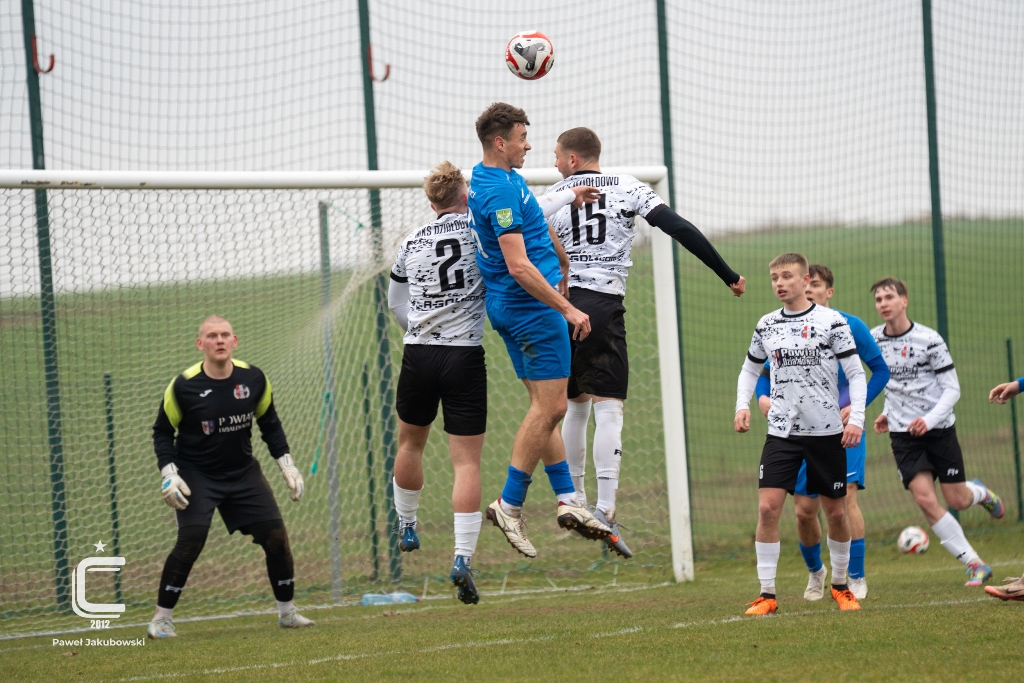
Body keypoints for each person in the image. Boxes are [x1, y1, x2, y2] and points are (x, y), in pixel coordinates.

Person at [547, 127, 745, 558]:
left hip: (559, 307)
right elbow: (679, 228)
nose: (555, 163)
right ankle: (604, 509)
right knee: (608, 406)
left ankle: (573, 499)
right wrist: (727, 273)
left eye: (558, 156)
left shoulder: (552, 197)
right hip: (601, 306)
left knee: (575, 405)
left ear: (573, 159)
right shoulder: (629, 187)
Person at [468, 102, 611, 558]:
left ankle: (568, 499)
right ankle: (509, 504)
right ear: (500, 142)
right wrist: (568, 309)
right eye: (522, 138)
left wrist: (563, 258)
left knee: (542, 409)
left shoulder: (496, 177)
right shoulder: (499, 190)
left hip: (513, 308)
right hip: (531, 309)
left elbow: (532, 221)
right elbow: (518, 264)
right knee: (553, 408)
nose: (528, 146)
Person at [148, 316, 312, 638]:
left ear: (235, 341)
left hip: (242, 472)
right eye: (212, 336)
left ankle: (288, 613)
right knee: (191, 540)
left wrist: (287, 465)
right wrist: (169, 473)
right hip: (197, 474)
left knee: (276, 537)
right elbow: (162, 432)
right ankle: (161, 619)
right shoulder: (183, 385)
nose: (219, 340)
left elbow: (270, 425)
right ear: (201, 344)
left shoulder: (254, 378)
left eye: (225, 335)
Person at [735, 253, 867, 615]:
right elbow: (750, 370)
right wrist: (742, 405)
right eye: (774, 278)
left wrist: (856, 418)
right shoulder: (766, 325)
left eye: (787, 276)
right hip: (782, 433)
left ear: (805, 280)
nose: (780, 283)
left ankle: (840, 586)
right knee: (767, 508)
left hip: (826, 432)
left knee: (836, 513)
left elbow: (856, 374)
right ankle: (767, 595)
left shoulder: (832, 322)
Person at [754, 264, 888, 600]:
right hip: (797, 431)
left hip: (842, 430)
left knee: (845, 500)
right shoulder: (784, 328)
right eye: (807, 283)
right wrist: (762, 397)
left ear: (829, 291)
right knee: (803, 511)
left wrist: (855, 409)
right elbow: (762, 371)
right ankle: (816, 572)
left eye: (816, 284)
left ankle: (854, 577)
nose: (810, 289)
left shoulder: (849, 325)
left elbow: (879, 371)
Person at [870, 277, 1003, 587]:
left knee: (957, 499)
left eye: (889, 297)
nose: (883, 304)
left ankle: (979, 492)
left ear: (904, 301)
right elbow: (891, 383)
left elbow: (952, 389)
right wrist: (888, 412)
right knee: (925, 499)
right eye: (878, 300)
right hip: (903, 435)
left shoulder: (929, 339)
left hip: (939, 429)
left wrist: (928, 420)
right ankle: (975, 564)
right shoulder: (874, 340)